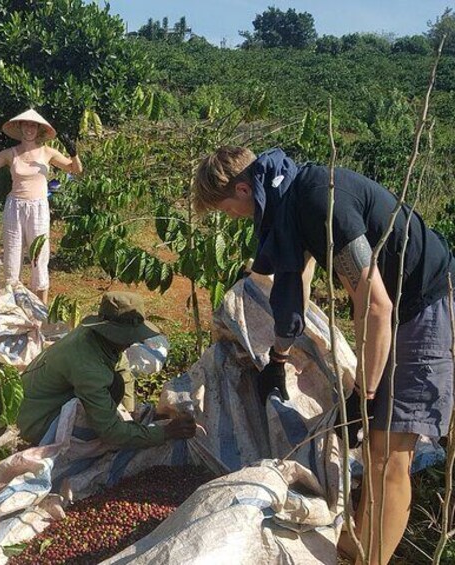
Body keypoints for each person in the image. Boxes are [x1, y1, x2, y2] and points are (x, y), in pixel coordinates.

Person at [192, 145, 454, 565]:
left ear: (242, 189)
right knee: (374, 447)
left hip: (423, 306)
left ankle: (374, 559)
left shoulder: (316, 198)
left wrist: (362, 395)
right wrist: (277, 359)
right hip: (396, 308)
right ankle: (360, 545)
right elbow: (298, 282)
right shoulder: (291, 195)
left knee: (390, 454)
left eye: (227, 210)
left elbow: (376, 305)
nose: (234, 218)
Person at [17, 291, 198, 448]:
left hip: (43, 401)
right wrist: (165, 432)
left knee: (116, 386)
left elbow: (123, 370)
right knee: (110, 438)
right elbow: (110, 433)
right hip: (38, 422)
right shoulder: (88, 366)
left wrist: (131, 412)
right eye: (127, 337)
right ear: (111, 333)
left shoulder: (98, 338)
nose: (130, 342)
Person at [0, 109, 82, 304]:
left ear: (38, 129)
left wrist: (73, 152)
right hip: (14, 208)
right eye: (26, 124)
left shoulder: (47, 152)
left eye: (33, 125)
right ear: (20, 127)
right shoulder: (10, 153)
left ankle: (40, 312)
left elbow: (75, 169)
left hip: (38, 209)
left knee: (39, 259)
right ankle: (13, 309)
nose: (30, 128)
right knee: (12, 257)